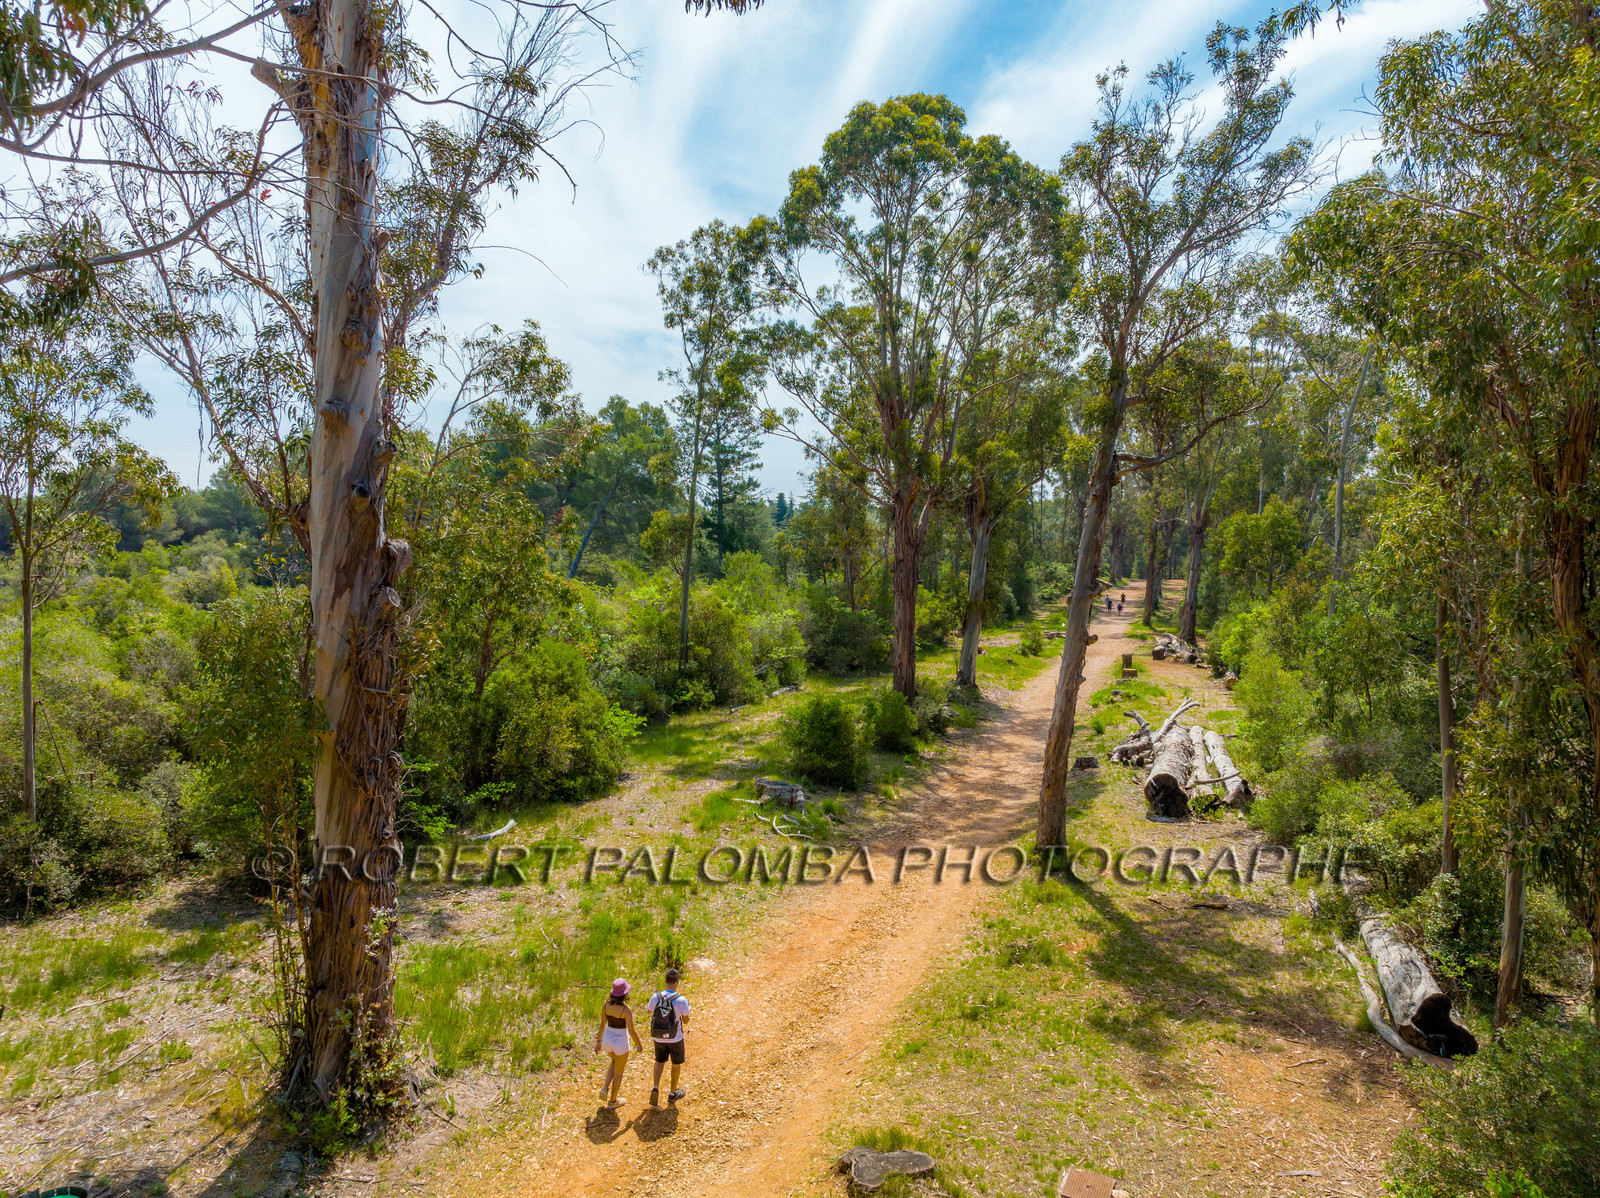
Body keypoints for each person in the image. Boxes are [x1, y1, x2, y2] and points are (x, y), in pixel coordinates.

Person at [593, 978, 643, 1108]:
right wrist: (638, 1044)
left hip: (607, 1041)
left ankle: (604, 1089)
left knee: (614, 1062)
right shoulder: (626, 1010)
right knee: (619, 1072)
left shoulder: (606, 1005)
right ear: (625, 994)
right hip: (620, 1043)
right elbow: (631, 1030)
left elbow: (602, 1025)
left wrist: (598, 1041)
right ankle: (613, 1101)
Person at [645, 967, 691, 1105]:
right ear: (677, 982)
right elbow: (686, 1020)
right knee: (676, 1064)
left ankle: (655, 1087)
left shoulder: (656, 996)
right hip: (675, 1038)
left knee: (659, 1062)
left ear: (665, 981)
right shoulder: (681, 1000)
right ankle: (672, 1093)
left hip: (658, 1037)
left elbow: (649, 1011)